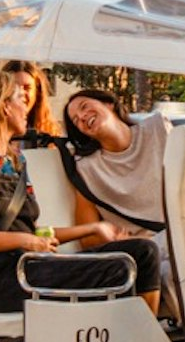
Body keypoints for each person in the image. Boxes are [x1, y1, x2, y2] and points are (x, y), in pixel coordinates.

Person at [0, 71, 161, 314]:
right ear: (5, 108)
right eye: (20, 100)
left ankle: (139, 339)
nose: (27, 108)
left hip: (32, 266)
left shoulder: (15, 161)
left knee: (143, 252)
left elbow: (32, 232)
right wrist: (26, 241)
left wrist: (92, 228)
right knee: (118, 269)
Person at [62, 89, 173, 304]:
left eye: (84, 107)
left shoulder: (158, 128)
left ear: (109, 104)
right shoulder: (87, 171)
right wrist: (125, 241)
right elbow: (89, 240)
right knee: (171, 272)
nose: (82, 117)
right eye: (76, 120)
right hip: (147, 252)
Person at [2, 60, 60, 136]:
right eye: (14, 87)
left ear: (37, 92)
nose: (21, 93)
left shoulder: (48, 134)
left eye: (27, 88)